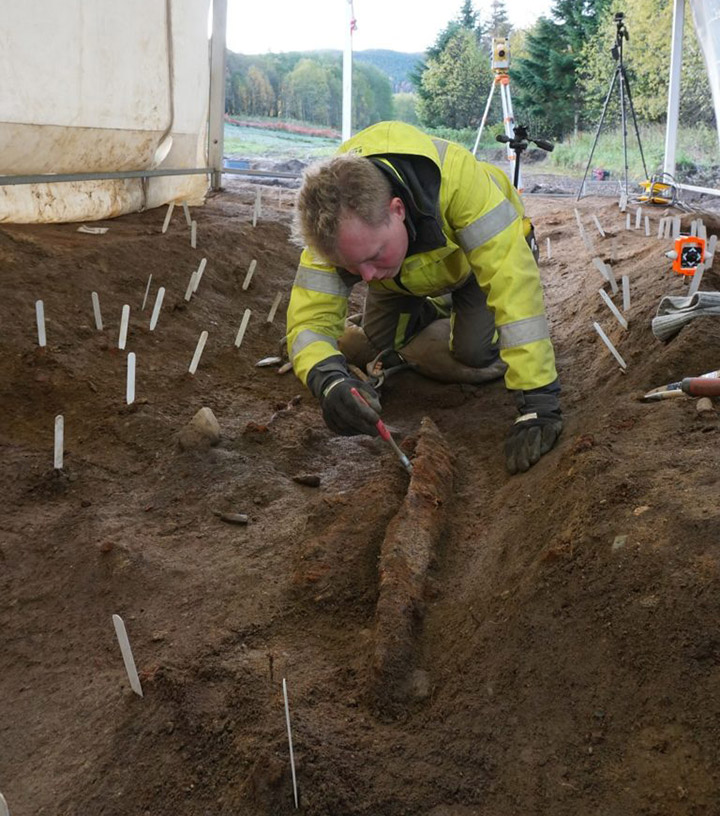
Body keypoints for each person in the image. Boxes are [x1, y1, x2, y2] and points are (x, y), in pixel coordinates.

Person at [285, 121, 562, 474]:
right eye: (353, 267)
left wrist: (538, 399)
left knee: (474, 352)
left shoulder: (460, 183)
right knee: (380, 343)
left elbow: (513, 287)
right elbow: (309, 322)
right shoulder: (330, 229)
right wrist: (329, 380)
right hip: (405, 280)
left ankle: (457, 314)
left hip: (477, 268)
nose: (366, 277)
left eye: (373, 256)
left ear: (397, 210)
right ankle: (435, 312)